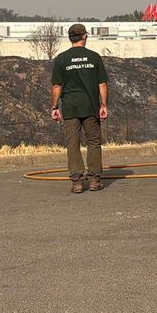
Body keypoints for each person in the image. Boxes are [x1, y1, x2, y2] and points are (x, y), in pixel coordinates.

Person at [50, 24, 109, 193]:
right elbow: (102, 84)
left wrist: (54, 106)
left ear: (70, 38)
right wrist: (103, 105)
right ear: (84, 36)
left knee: (72, 144)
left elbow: (56, 86)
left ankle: (77, 182)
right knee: (93, 142)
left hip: (70, 107)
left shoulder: (61, 59)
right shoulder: (94, 57)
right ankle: (94, 180)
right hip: (90, 106)